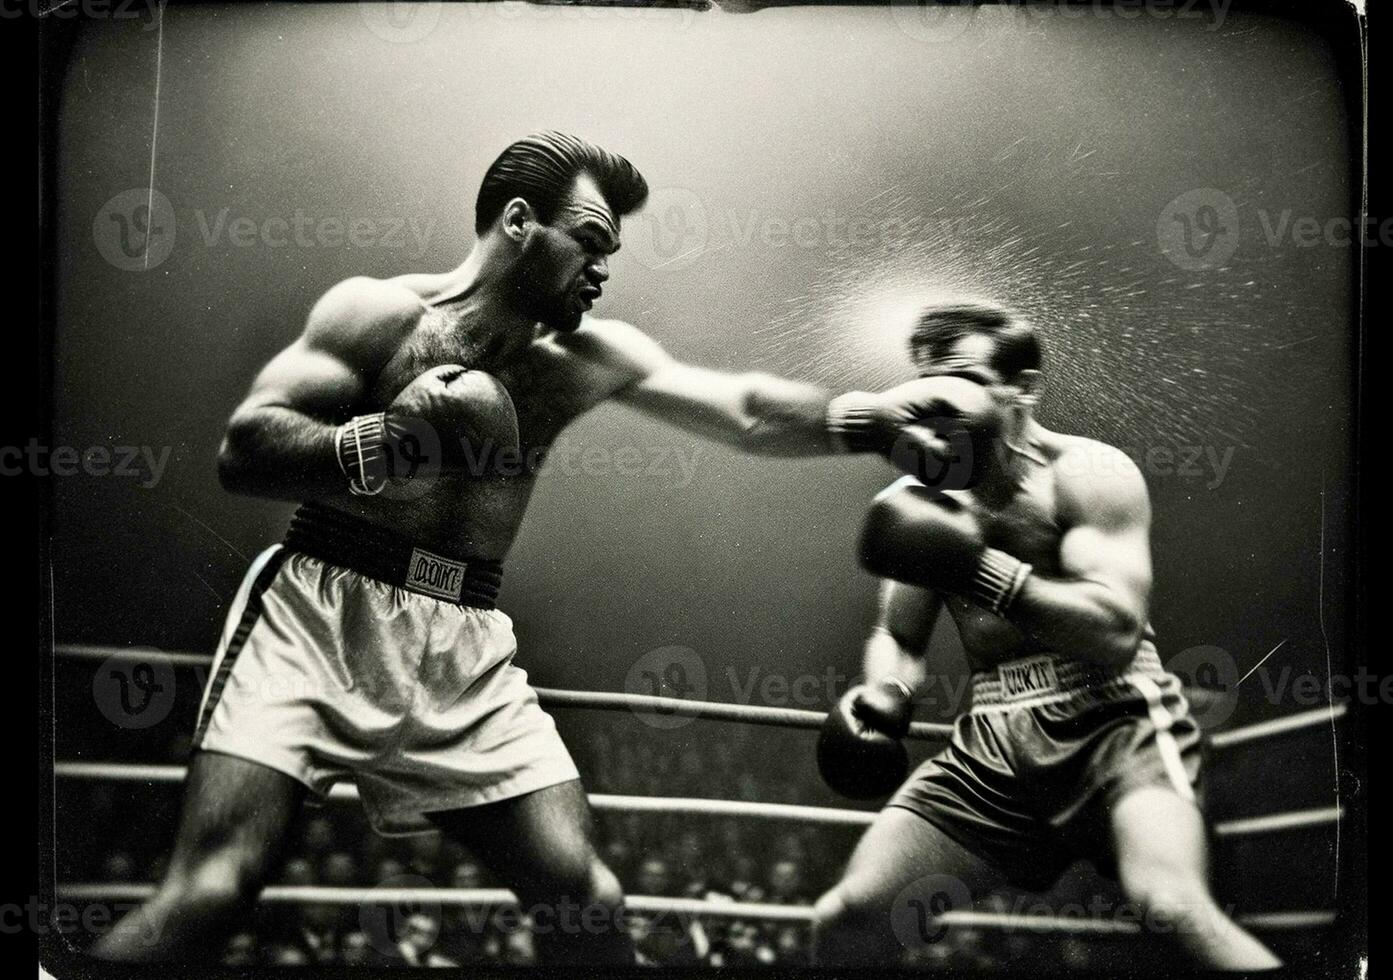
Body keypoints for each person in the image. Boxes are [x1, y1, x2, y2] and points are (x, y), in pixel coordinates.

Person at [91, 131, 877, 964]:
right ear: (516, 222)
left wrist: (879, 422)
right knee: (213, 889)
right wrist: (384, 441)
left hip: (462, 634)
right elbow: (244, 451)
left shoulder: (590, 357)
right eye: (592, 240)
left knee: (584, 897)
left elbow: (748, 409)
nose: (604, 267)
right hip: (321, 613)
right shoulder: (378, 313)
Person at [811, 301, 1281, 969]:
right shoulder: (913, 500)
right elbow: (901, 636)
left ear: (1024, 387)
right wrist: (883, 694)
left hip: (1115, 719)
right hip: (993, 739)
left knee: (1170, 905)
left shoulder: (1088, 475)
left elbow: (1115, 632)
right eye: (929, 386)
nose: (942, 406)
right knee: (849, 920)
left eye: (967, 382)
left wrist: (978, 568)